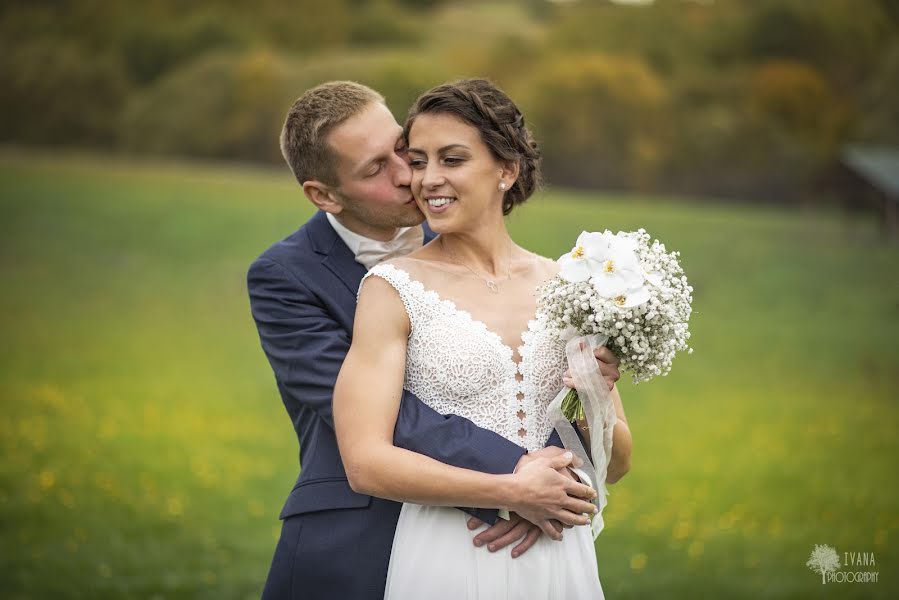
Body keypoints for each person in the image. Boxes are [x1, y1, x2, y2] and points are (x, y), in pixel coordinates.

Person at [247, 81, 625, 600]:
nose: (412, 177)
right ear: (325, 195)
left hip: (546, 542)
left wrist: (588, 398)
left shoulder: (554, 280)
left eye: (404, 150)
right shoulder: (295, 277)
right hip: (370, 534)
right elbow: (378, 425)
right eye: (378, 168)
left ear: (505, 169)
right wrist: (515, 483)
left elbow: (611, 452)